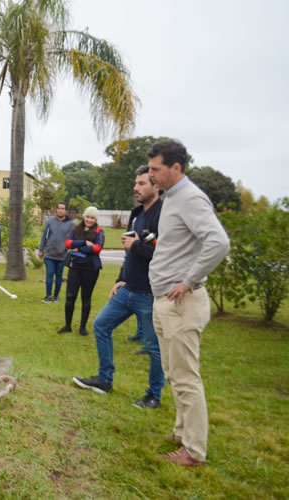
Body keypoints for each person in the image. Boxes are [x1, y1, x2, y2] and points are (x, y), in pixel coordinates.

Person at [147, 139, 228, 467]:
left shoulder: (191, 198)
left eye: (156, 169)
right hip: (164, 301)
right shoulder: (172, 198)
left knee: (185, 377)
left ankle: (194, 451)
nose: (151, 175)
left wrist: (189, 280)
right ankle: (182, 432)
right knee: (173, 373)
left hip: (182, 302)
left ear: (175, 167)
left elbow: (218, 242)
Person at [73, 166, 165, 409]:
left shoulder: (164, 215)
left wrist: (136, 246)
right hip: (128, 290)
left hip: (149, 294)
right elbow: (130, 252)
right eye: (136, 183)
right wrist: (120, 279)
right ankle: (104, 380)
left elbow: (165, 254)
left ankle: (154, 395)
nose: (136, 187)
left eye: (142, 183)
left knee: (153, 346)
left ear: (156, 186)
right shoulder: (137, 214)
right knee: (101, 325)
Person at [57, 206, 104, 336]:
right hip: (75, 267)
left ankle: (83, 327)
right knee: (70, 296)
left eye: (92, 218)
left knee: (86, 297)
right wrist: (84, 242)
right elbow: (68, 243)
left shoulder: (99, 231)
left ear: (95, 219)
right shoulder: (76, 228)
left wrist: (78, 248)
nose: (89, 220)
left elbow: (97, 248)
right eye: (87, 217)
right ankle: (67, 326)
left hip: (90, 269)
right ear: (84, 217)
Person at [37, 201, 73, 303]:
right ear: (56, 209)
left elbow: (73, 239)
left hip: (62, 255)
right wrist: (41, 249)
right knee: (49, 274)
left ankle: (56, 296)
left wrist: (70, 250)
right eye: (59, 208)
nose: (60, 210)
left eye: (62, 209)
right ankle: (48, 296)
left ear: (66, 210)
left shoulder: (71, 224)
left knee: (59, 276)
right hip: (49, 254)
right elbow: (44, 236)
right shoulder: (50, 222)